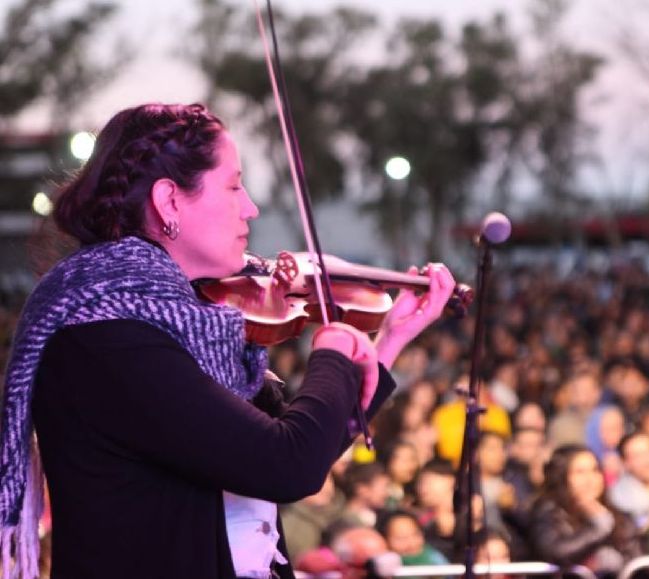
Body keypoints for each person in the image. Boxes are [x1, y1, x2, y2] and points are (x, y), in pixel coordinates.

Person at [0, 103, 456, 579]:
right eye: (234, 185)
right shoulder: (106, 336)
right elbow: (285, 463)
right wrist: (331, 352)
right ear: (169, 201)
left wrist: (388, 341)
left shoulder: (191, 320)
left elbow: (304, 446)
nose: (251, 208)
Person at [527, 444, 640, 576]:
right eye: (580, 472)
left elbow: (637, 561)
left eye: (595, 470)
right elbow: (555, 552)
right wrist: (599, 527)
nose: (590, 479)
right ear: (562, 477)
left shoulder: (617, 514)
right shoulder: (547, 511)